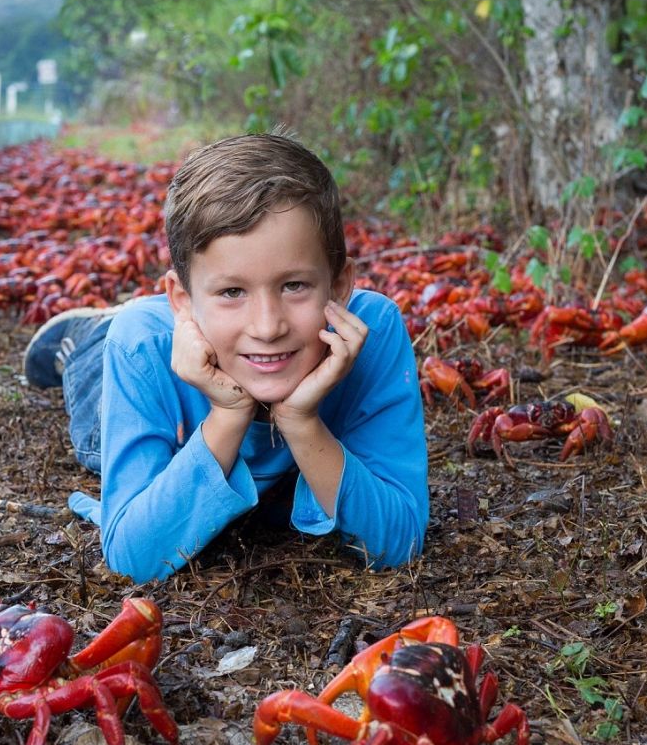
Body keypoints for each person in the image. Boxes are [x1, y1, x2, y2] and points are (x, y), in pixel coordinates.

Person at [23, 132, 429, 583]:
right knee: (95, 432)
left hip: (225, 350)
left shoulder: (373, 329)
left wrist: (300, 420)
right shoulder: (141, 348)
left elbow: (401, 539)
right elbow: (133, 557)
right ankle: (87, 335)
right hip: (158, 362)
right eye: (232, 291)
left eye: (294, 285)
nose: (268, 325)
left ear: (338, 286)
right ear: (182, 299)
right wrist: (228, 413)